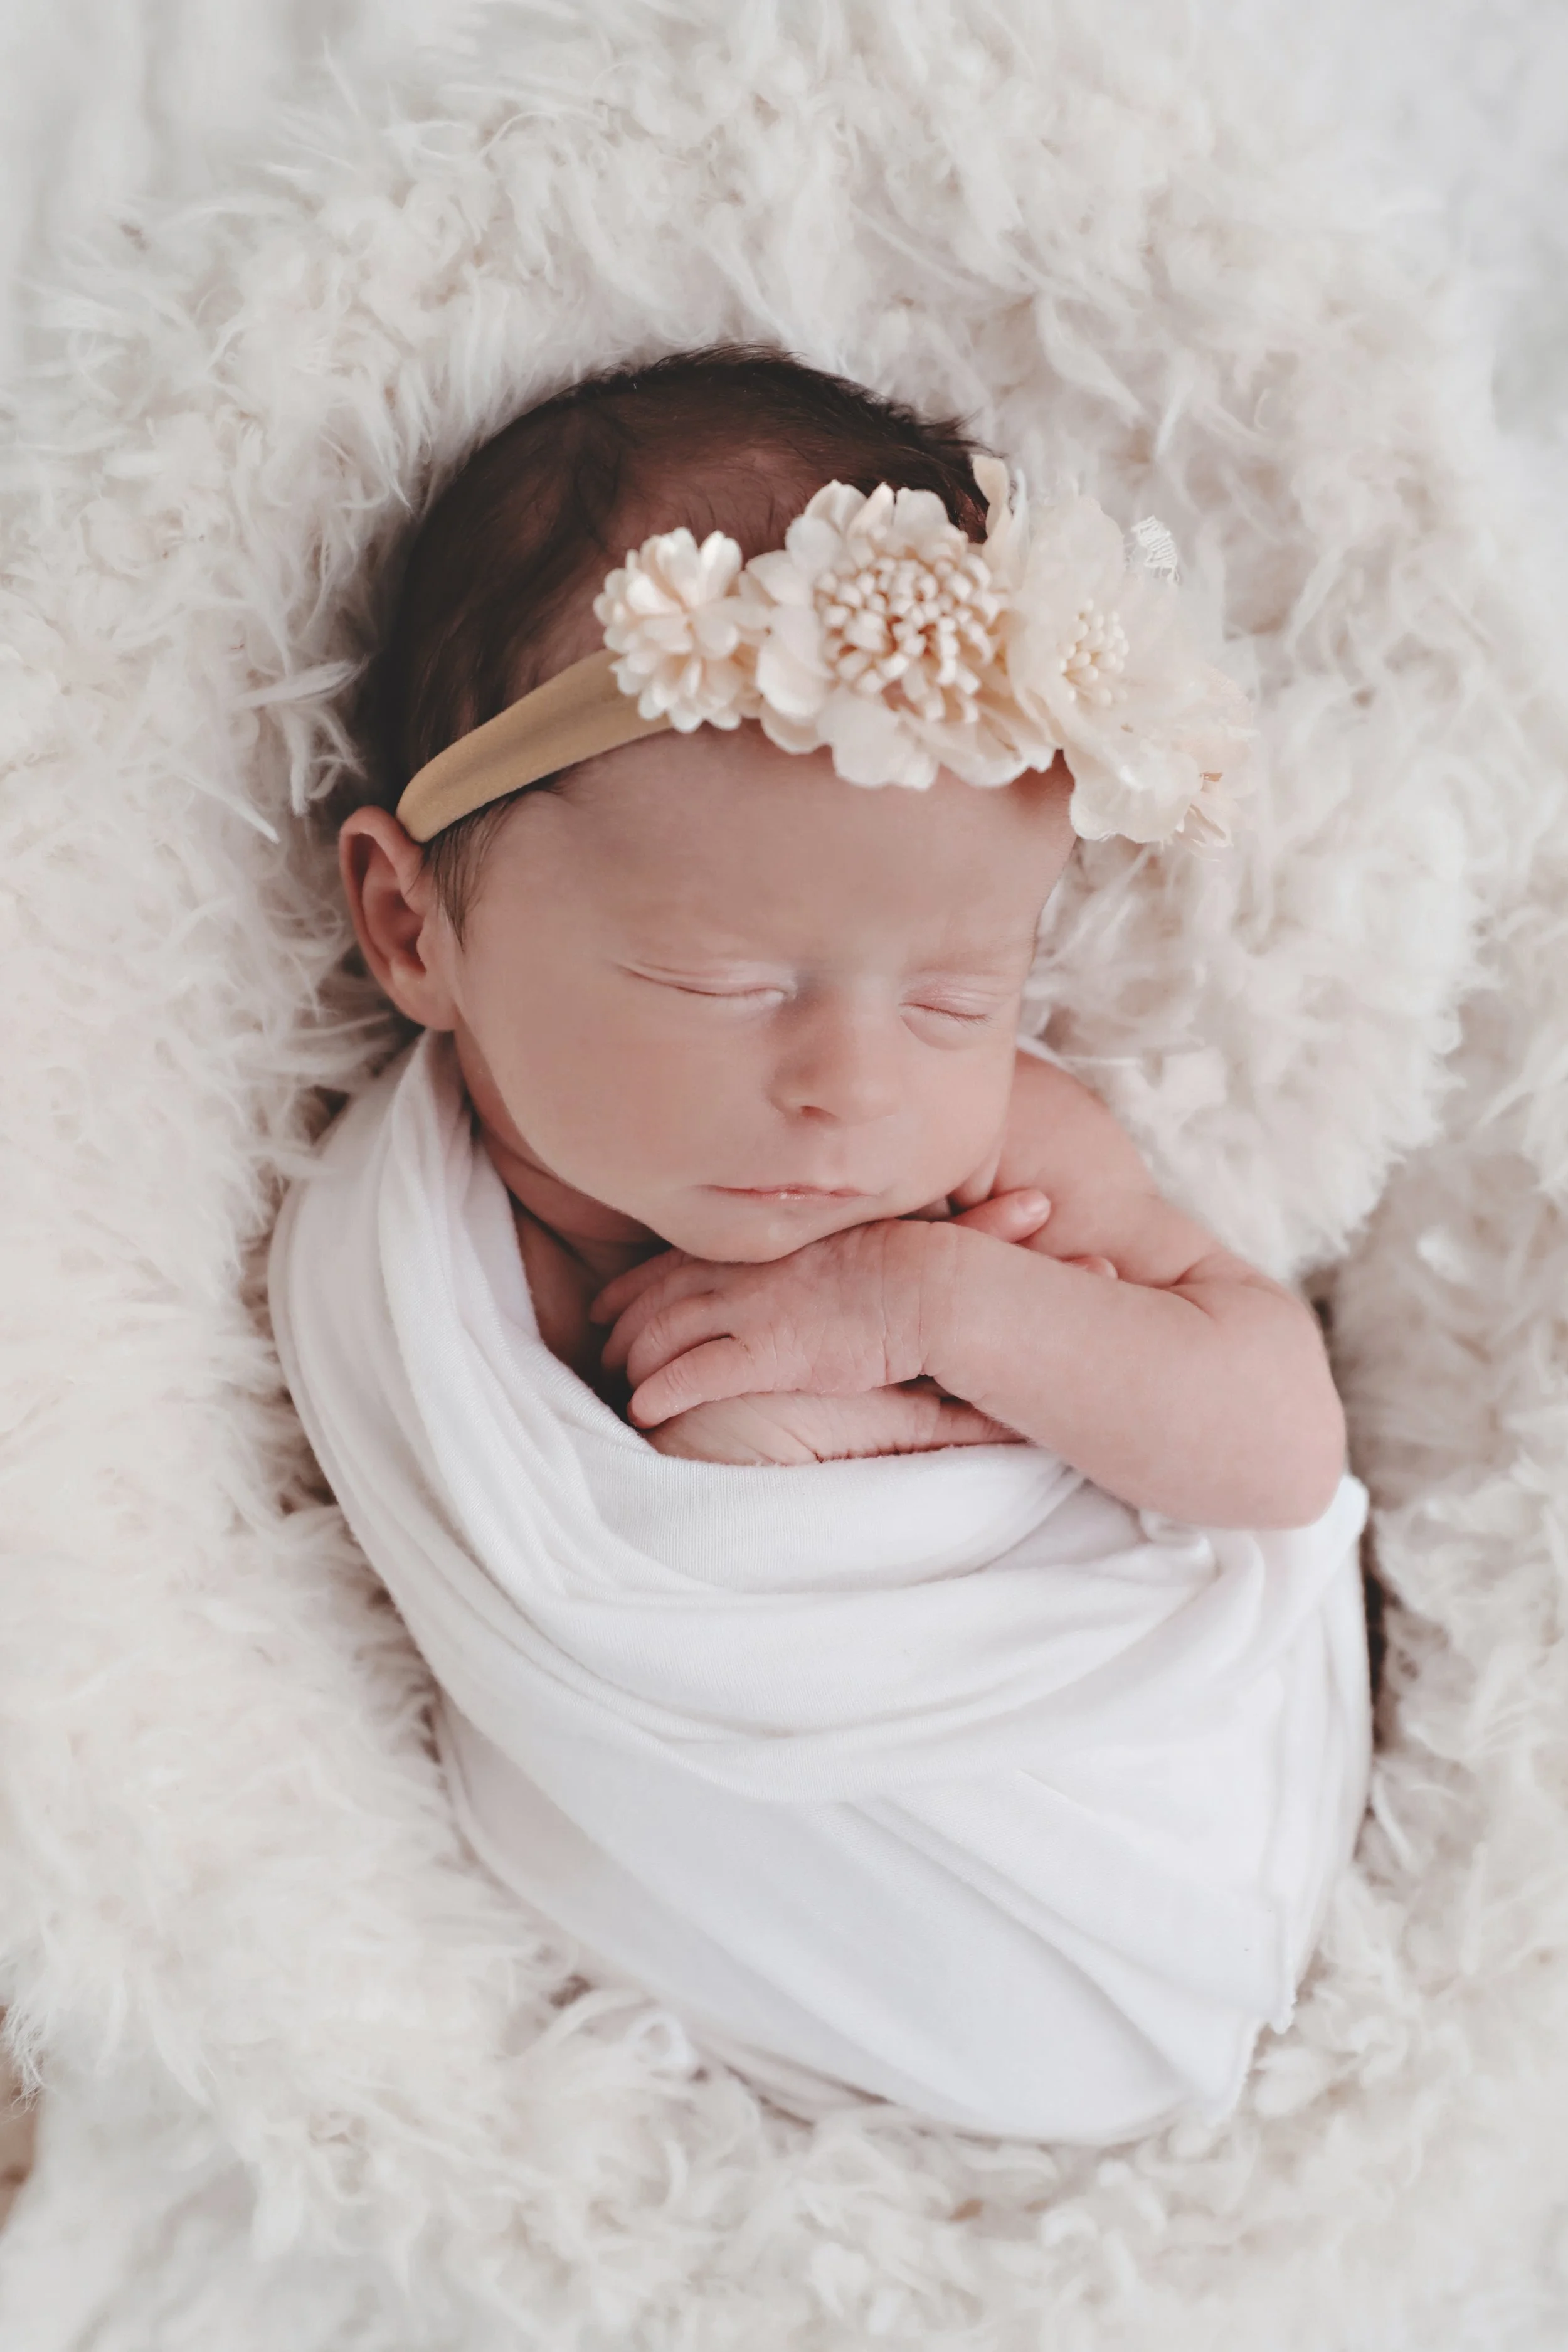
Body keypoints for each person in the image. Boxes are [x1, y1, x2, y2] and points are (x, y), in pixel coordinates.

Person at [268, 344, 1372, 2143]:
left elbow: (1275, 1451)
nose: (851, 1086)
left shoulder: (1001, 1159)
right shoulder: (397, 1269)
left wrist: (944, 1309)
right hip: (774, 1982)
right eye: (727, 984)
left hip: (1141, 1829)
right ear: (412, 924)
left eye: (957, 992)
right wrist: (736, 1470)